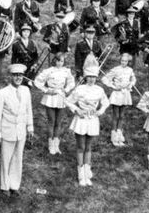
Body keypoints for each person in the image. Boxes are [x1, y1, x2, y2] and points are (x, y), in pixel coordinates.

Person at [66, 54, 109, 186]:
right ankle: (80, 171)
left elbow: (106, 102)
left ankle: (87, 169)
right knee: (81, 146)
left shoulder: (99, 89)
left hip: (92, 120)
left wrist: (99, 111)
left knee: (89, 147)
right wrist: (77, 110)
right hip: (81, 120)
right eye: (89, 76)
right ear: (85, 77)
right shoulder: (79, 89)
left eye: (93, 77)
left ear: (96, 77)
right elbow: (68, 101)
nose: (91, 79)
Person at [0, 63, 34, 197]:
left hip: (20, 131)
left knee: (18, 158)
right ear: (11, 76)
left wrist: (30, 127)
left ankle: (14, 185)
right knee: (6, 159)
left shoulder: (26, 91)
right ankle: (5, 185)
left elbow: (29, 110)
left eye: (20, 75)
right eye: (15, 75)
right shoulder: (2, 93)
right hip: (7, 131)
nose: (18, 78)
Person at [34, 52, 75, 155]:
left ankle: (56, 144)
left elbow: (71, 82)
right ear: (54, 61)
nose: (60, 63)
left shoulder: (66, 71)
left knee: (58, 122)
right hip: (50, 97)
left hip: (61, 96)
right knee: (51, 121)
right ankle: (50, 145)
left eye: (62, 61)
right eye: (58, 61)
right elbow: (37, 81)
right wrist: (46, 90)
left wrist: (66, 89)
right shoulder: (48, 71)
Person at [102, 53, 137, 146]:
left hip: (125, 94)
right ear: (120, 61)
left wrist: (130, 85)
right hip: (117, 94)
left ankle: (119, 133)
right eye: (122, 61)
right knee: (116, 115)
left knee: (122, 115)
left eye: (125, 61)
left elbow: (133, 79)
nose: (123, 62)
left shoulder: (130, 70)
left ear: (128, 62)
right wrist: (113, 86)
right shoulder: (116, 69)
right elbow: (105, 79)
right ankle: (113, 135)